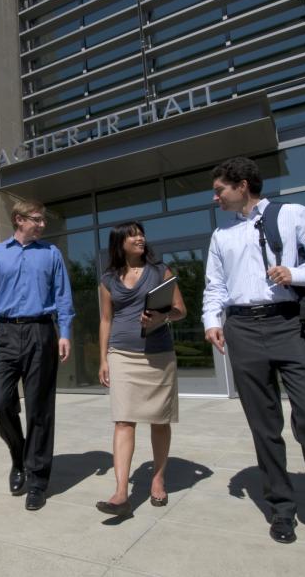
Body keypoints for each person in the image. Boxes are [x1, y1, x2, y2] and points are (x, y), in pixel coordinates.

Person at [202, 157, 305, 564]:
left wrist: (296, 274)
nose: (216, 196)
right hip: (242, 329)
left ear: (242, 185)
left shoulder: (291, 214)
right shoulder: (221, 235)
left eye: (220, 189)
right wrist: (211, 322)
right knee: (264, 425)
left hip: (291, 325)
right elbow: (214, 285)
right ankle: (281, 509)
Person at [0, 199, 74, 511]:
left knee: (40, 409)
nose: (42, 225)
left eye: (43, 220)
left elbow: (63, 296)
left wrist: (65, 332)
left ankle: (38, 480)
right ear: (19, 220)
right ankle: (19, 457)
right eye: (36, 219)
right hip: (3, 333)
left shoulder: (51, 254)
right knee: (1, 404)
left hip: (41, 332)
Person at [96, 222, 185, 518]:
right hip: (121, 354)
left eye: (141, 233)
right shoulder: (108, 279)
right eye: (132, 234)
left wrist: (160, 317)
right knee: (124, 421)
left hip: (158, 355)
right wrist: (104, 359)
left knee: (159, 421)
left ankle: (158, 479)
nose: (140, 238)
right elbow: (106, 320)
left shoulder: (161, 271)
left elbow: (180, 310)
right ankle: (121, 492)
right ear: (119, 242)